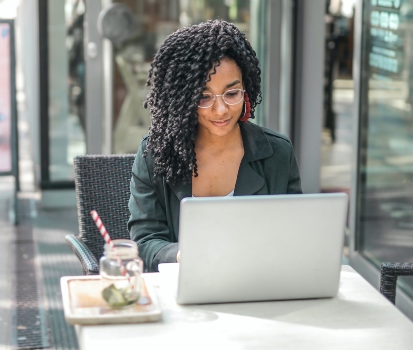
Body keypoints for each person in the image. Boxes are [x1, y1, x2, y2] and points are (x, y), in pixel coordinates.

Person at [128, 20, 302, 272]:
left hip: (259, 286)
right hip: (183, 291)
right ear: (183, 99)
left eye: (232, 94)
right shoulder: (155, 155)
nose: (220, 110)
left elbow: (294, 237)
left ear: (247, 90)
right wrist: (180, 254)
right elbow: (144, 242)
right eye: (203, 97)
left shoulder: (277, 153)